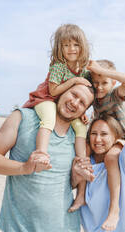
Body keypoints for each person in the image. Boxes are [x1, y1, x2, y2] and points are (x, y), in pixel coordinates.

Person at [0, 83, 94, 232]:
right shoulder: (23, 117)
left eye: (82, 103)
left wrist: (76, 176)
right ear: (62, 90)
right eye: (73, 94)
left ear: (85, 111)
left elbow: (66, 184)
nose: (75, 103)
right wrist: (24, 168)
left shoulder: (77, 137)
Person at [22, 24, 92, 212]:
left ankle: (81, 163)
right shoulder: (59, 66)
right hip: (47, 99)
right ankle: (42, 152)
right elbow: (53, 91)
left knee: (81, 128)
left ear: (83, 47)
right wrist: (74, 81)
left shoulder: (83, 70)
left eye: (75, 45)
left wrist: (81, 111)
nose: (71, 49)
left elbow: (82, 94)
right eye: (66, 45)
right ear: (59, 48)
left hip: (67, 107)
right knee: (49, 120)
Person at [72, 80, 125, 232]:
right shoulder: (85, 159)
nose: (98, 139)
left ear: (116, 138)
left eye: (104, 134)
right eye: (93, 133)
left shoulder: (123, 162)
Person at [70, 59, 125, 232]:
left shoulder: (115, 94)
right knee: (83, 149)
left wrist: (103, 71)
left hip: (122, 137)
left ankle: (114, 209)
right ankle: (81, 194)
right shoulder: (95, 99)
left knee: (111, 157)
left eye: (104, 83)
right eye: (96, 82)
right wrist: (84, 113)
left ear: (112, 82)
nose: (99, 87)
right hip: (104, 136)